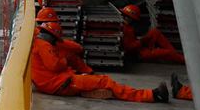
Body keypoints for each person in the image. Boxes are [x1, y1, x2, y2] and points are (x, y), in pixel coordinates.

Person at [31, 14, 167, 103]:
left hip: (59, 82)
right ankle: (152, 95)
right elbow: (55, 65)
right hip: (62, 84)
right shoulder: (44, 46)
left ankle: (89, 80)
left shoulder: (37, 43)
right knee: (105, 81)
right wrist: (64, 61)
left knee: (98, 80)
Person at [120, 5, 184, 64]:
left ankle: (175, 55)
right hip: (139, 53)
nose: (126, 18)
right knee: (168, 53)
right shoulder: (125, 29)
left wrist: (142, 40)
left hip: (140, 47)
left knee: (155, 32)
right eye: (125, 16)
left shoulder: (127, 27)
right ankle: (184, 60)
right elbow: (129, 48)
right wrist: (141, 41)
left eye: (128, 17)